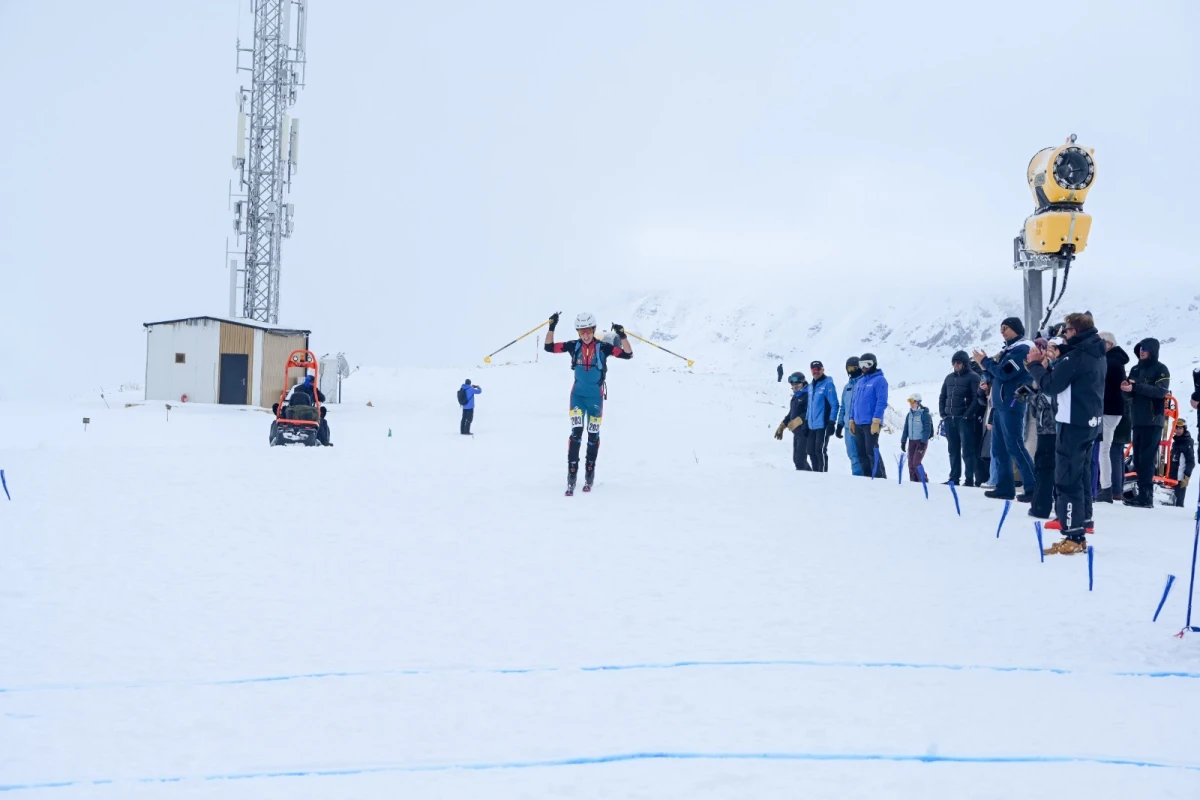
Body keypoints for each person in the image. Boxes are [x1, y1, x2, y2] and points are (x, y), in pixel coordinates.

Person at [1026, 313, 1106, 554]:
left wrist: (1034, 367)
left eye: (1066, 331)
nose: (1063, 335)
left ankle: (1072, 535)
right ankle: (1079, 530)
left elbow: (1051, 386)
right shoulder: (1096, 352)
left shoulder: (1077, 356)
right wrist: (1055, 362)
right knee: (1080, 476)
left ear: (1076, 332)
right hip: (1089, 421)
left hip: (1073, 423)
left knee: (1067, 478)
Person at [544, 311, 633, 494]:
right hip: (577, 397)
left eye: (588, 331)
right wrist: (552, 326)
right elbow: (549, 347)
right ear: (578, 332)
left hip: (595, 399)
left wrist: (622, 335)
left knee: (593, 436)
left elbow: (628, 354)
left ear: (593, 330)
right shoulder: (573, 346)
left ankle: (589, 474)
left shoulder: (603, 348)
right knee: (576, 434)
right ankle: (572, 474)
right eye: (581, 331)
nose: (585, 335)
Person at [973, 317, 1037, 501]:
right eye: (1001, 328)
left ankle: (1033, 488)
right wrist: (985, 370)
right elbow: (996, 373)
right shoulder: (1007, 350)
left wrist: (985, 362)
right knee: (999, 448)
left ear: (1016, 329)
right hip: (1000, 405)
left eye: (1006, 328)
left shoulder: (1023, 349)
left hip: (1012, 404)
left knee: (1015, 446)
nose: (1002, 331)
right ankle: (1004, 487)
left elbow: (1005, 372)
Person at [1122, 338, 1170, 508]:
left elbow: (1160, 391)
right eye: (1140, 348)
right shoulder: (1135, 369)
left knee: (1147, 459)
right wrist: (1126, 389)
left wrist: (1136, 387)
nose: (1141, 351)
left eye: (1145, 348)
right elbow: (1130, 393)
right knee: (1139, 460)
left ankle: (1146, 497)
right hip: (1137, 419)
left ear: (1153, 351)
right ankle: (1142, 494)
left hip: (1153, 420)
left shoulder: (1161, 369)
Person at [1027, 338, 1061, 519]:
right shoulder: (1054, 371)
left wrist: (1030, 397)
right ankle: (1047, 505)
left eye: (1052, 349)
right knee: (1047, 466)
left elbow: (1048, 399)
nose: (1049, 352)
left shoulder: (1058, 372)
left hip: (1050, 427)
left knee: (1045, 467)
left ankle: (1041, 506)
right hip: (1047, 426)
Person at [939, 350, 982, 486]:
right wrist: (943, 413)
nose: (956, 365)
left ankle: (969, 479)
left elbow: (977, 398)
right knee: (953, 450)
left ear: (965, 363)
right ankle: (954, 478)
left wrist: (967, 415)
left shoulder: (973, 377)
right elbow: (943, 396)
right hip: (950, 418)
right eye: (954, 363)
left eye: (958, 362)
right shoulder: (949, 378)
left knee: (968, 451)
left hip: (965, 420)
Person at [1096, 332, 1129, 502]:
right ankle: (1106, 486)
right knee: (1106, 450)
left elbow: (1103, 388)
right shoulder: (1115, 361)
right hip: (1113, 410)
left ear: (1109, 344)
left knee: (1104, 450)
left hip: (1109, 410)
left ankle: (1106, 488)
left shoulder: (1110, 363)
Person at [848, 352, 888, 479]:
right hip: (859, 422)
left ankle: (879, 477)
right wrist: (851, 420)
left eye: (868, 364)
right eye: (862, 364)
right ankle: (867, 477)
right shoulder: (860, 382)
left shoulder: (879, 380)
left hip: (871, 423)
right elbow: (854, 402)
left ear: (874, 364)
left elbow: (881, 402)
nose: (864, 367)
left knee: (871, 450)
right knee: (862, 452)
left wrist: (876, 421)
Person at [805, 360, 839, 472]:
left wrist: (831, 422)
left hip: (823, 424)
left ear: (823, 370)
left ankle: (823, 476)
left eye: (818, 369)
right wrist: (806, 422)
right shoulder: (810, 386)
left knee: (820, 451)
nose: (816, 372)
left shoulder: (828, 384)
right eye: (814, 370)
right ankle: (815, 475)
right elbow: (809, 407)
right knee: (810, 451)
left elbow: (834, 404)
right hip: (811, 425)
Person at [281, 373, 332, 445]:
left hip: (293, 413)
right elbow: (322, 398)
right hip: (308, 414)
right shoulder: (313, 390)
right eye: (313, 382)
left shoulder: (297, 388)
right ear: (311, 382)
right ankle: (324, 441)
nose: (313, 384)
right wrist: (315, 390)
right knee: (321, 421)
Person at [775, 372, 811, 470]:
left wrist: (799, 420)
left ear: (803, 383)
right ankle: (811, 477)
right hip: (797, 433)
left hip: (805, 432)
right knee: (797, 459)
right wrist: (782, 425)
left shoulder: (808, 395)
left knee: (800, 460)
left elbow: (810, 411)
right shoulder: (796, 396)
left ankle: (808, 481)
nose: (794, 386)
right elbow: (792, 413)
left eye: (797, 383)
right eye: (792, 384)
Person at [835, 357, 863, 476]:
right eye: (849, 368)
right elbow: (843, 407)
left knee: (863, 454)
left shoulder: (863, 384)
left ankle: (870, 478)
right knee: (852, 454)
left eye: (854, 368)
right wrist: (839, 424)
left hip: (860, 426)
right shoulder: (847, 387)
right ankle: (857, 478)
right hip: (847, 427)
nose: (851, 371)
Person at [900, 393, 933, 483]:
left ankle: (924, 481)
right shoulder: (909, 415)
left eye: (913, 402)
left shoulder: (924, 414)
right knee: (910, 463)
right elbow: (906, 429)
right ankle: (913, 482)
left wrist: (923, 442)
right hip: (911, 441)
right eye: (910, 402)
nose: (911, 404)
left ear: (918, 402)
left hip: (920, 442)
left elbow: (927, 430)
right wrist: (903, 441)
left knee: (916, 462)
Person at [1168, 419, 1195, 507]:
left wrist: (1187, 476)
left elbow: (1191, 461)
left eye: (1180, 428)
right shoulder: (1176, 442)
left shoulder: (1187, 443)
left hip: (1181, 479)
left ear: (1184, 429)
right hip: (1172, 477)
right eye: (1177, 428)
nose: (1178, 430)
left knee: (1178, 504)